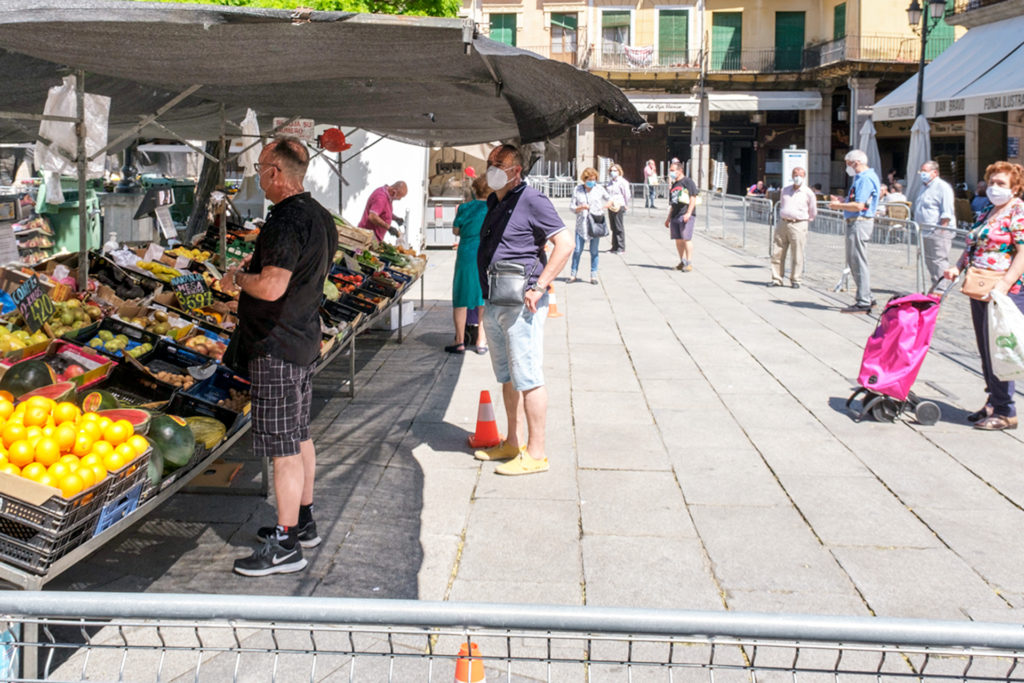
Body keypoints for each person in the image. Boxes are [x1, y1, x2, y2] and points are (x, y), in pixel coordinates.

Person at [221, 137, 338, 576]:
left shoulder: (286, 221)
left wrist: (237, 278)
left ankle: (286, 545)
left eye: (259, 168)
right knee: (299, 435)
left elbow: (272, 286)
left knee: (282, 449)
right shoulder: (320, 215)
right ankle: (303, 521)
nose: (258, 176)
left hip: (277, 347)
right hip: (302, 339)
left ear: (275, 172)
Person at [474, 144, 573, 475]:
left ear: (516, 171)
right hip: (496, 300)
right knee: (508, 377)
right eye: (490, 163)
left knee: (528, 377)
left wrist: (541, 286)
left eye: (498, 164)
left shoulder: (532, 200)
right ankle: (512, 442)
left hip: (522, 303)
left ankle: (537, 453)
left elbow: (565, 243)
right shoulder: (495, 200)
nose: (491, 168)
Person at [942, 161, 1024, 431]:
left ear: (1015, 188)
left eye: (1001, 183)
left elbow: (1023, 252)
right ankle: (993, 401)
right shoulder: (988, 210)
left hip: (1004, 291)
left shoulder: (1018, 212)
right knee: (985, 348)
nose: (994, 188)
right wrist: (958, 267)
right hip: (979, 287)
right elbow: (973, 245)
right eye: (991, 182)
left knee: (1000, 349)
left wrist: (1004, 284)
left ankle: (1005, 411)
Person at [829, 149, 881, 313]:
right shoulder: (862, 178)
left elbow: (859, 205)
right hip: (857, 221)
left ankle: (863, 301)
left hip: (859, 222)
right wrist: (844, 201)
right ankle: (867, 296)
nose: (847, 167)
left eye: (848, 164)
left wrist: (838, 206)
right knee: (855, 261)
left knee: (857, 261)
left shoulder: (865, 179)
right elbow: (858, 200)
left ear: (856, 162)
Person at [447, 175, 489, 354]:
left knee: (461, 296)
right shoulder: (493, 208)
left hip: (466, 253)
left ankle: (459, 341)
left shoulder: (464, 208)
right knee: (483, 297)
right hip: (485, 253)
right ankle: (481, 341)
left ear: (475, 189)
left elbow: (455, 230)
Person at [771, 167, 817, 288]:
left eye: (800, 175)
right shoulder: (785, 190)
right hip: (783, 222)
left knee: (797, 253)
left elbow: (813, 210)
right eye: (795, 175)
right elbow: (782, 203)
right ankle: (777, 278)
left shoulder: (808, 193)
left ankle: (796, 279)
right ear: (792, 176)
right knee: (778, 251)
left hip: (798, 223)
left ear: (804, 176)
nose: (797, 177)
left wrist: (806, 220)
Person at [914, 160, 956, 286]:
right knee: (929, 260)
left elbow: (947, 212)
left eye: (925, 171)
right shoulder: (923, 186)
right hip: (925, 230)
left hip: (938, 230)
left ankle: (941, 288)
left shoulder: (942, 187)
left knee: (939, 260)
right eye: (921, 171)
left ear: (935, 172)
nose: (922, 174)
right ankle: (935, 284)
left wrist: (941, 231)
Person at [569, 167, 610, 284]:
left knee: (594, 251)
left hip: (595, 223)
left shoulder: (599, 189)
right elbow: (571, 207)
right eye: (589, 180)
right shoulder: (578, 189)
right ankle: (573, 274)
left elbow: (609, 199)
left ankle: (593, 275)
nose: (592, 182)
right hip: (581, 224)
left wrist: (605, 206)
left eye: (593, 179)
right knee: (577, 250)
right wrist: (580, 207)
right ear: (584, 179)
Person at [665, 161, 699, 272]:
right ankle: (682, 261)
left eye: (672, 170)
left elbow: (693, 197)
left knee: (686, 238)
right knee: (678, 240)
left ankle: (689, 263)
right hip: (675, 215)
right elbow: (673, 204)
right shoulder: (674, 184)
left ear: (680, 170)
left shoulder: (688, 182)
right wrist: (668, 218)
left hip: (685, 214)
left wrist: (689, 212)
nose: (671, 172)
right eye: (670, 170)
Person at [605, 163, 630, 254]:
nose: (613, 172)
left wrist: (625, 204)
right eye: (611, 171)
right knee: (613, 226)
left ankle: (621, 247)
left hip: (619, 205)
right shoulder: (610, 182)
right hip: (611, 205)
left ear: (619, 171)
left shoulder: (622, 182)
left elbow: (626, 194)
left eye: (615, 170)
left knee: (619, 226)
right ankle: (614, 246)